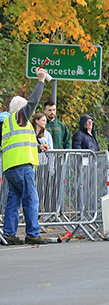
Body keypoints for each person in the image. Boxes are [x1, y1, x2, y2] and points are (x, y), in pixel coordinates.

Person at [1, 68, 49, 245]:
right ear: (20, 109)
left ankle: (9, 234)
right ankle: (32, 233)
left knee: (13, 201)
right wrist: (41, 81)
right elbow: (33, 102)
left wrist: (37, 148)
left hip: (10, 167)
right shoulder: (20, 117)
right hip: (22, 166)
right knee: (31, 199)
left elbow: (16, 143)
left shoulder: (7, 123)